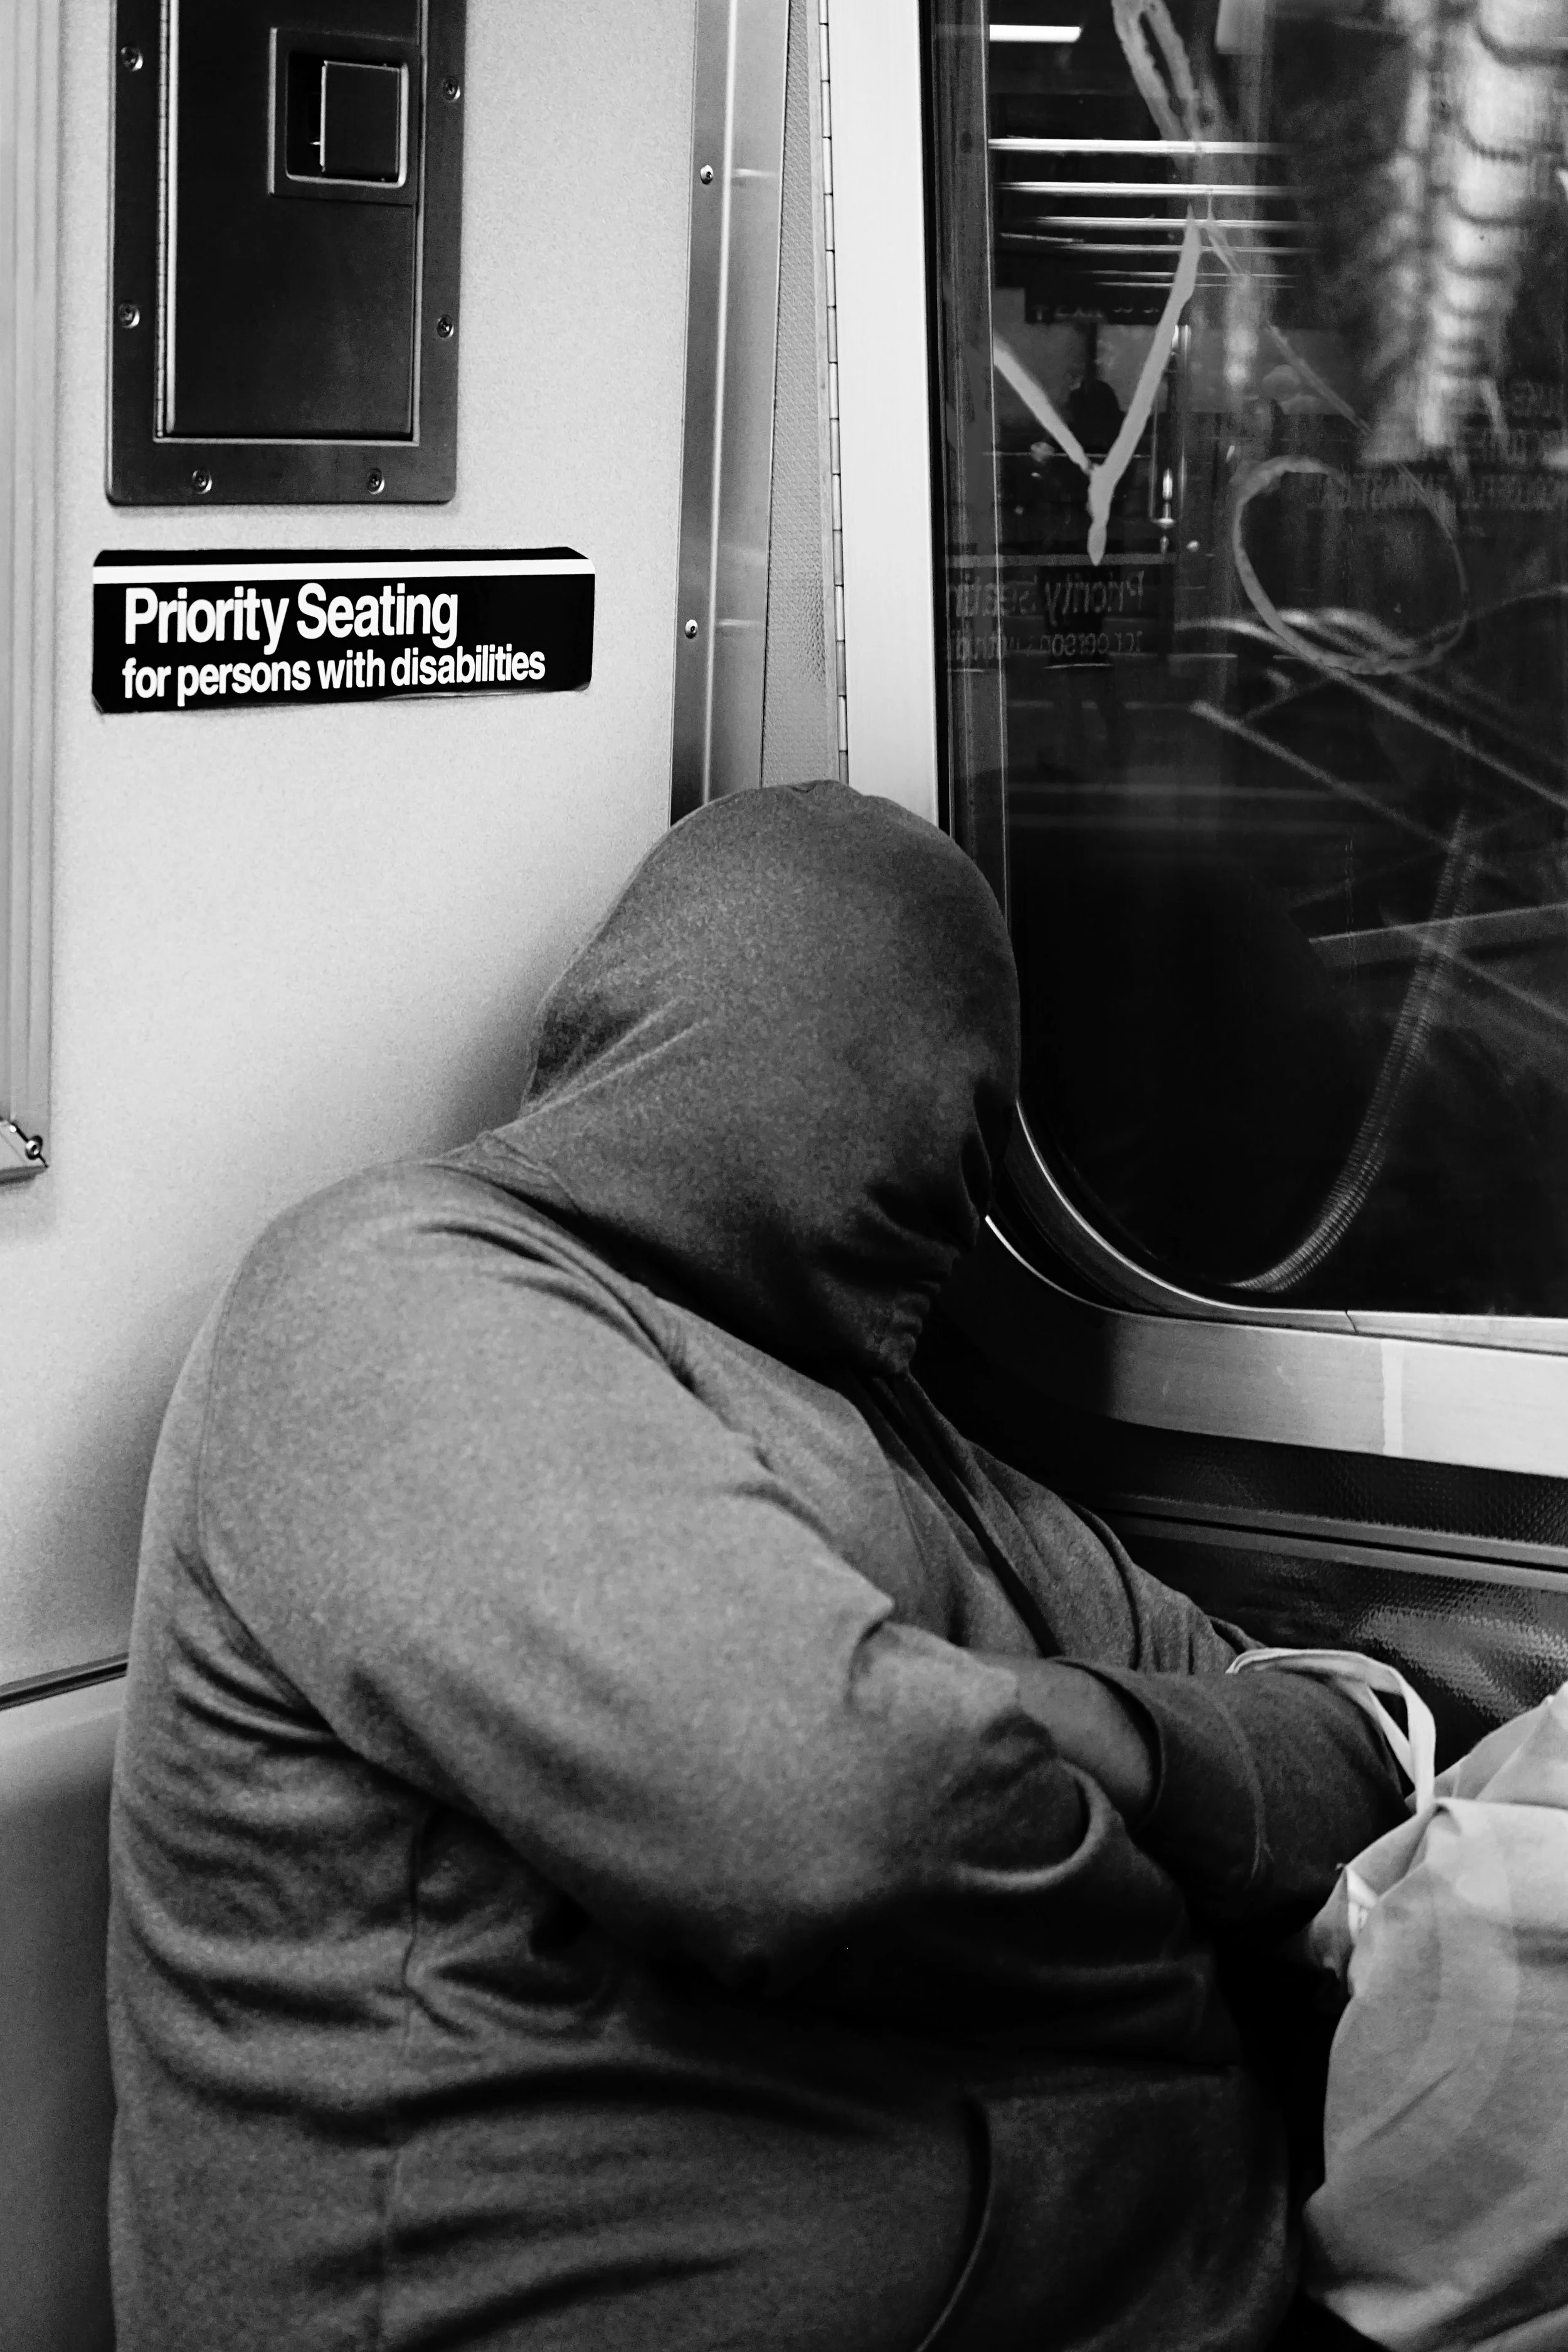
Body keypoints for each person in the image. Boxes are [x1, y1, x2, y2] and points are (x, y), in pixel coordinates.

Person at [107, 781, 1405, 2351]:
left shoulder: (914, 1437)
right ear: (788, 1046)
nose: (986, 1183)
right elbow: (817, 1807)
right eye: (966, 1099)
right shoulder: (396, 1292)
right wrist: (1166, 1903)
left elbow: (1352, 1742)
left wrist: (1078, 1727)